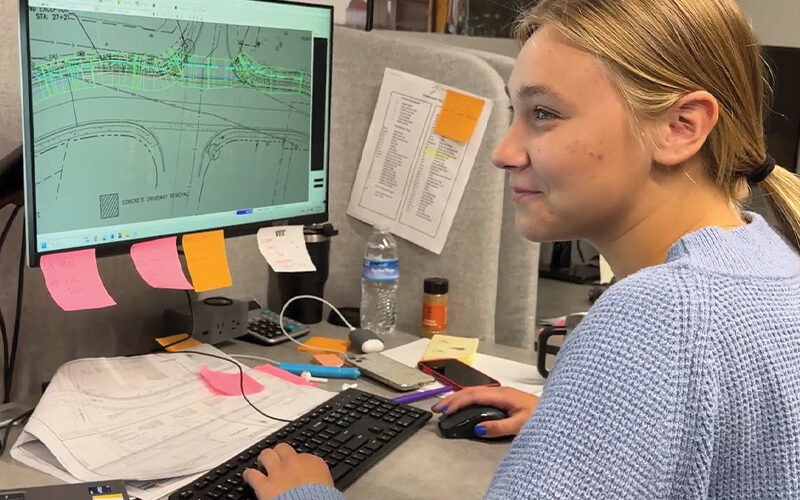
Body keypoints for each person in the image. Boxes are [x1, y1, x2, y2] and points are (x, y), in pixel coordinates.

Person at [243, 0, 800, 498]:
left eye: (544, 115)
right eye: (514, 113)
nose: (504, 153)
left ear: (681, 127)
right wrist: (580, 423)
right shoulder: (766, 261)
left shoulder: (662, 318)